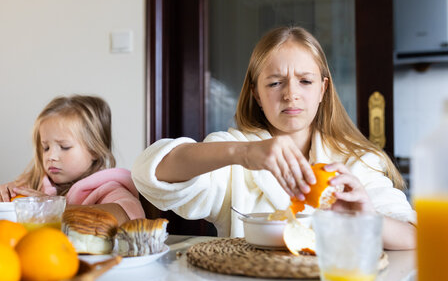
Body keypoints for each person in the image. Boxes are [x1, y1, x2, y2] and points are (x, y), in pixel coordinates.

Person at [132, 26, 416, 250]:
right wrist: (243, 154)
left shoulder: (357, 162)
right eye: (275, 82)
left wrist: (367, 218)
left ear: (322, 90)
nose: (291, 93)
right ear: (256, 93)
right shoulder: (235, 154)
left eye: (305, 81)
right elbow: (152, 173)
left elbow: (415, 236)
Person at [0, 95, 145, 225]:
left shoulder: (108, 188)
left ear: (94, 150)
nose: (51, 156)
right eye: (45, 147)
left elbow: (128, 216)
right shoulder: (33, 186)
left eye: (64, 147)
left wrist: (52, 209)